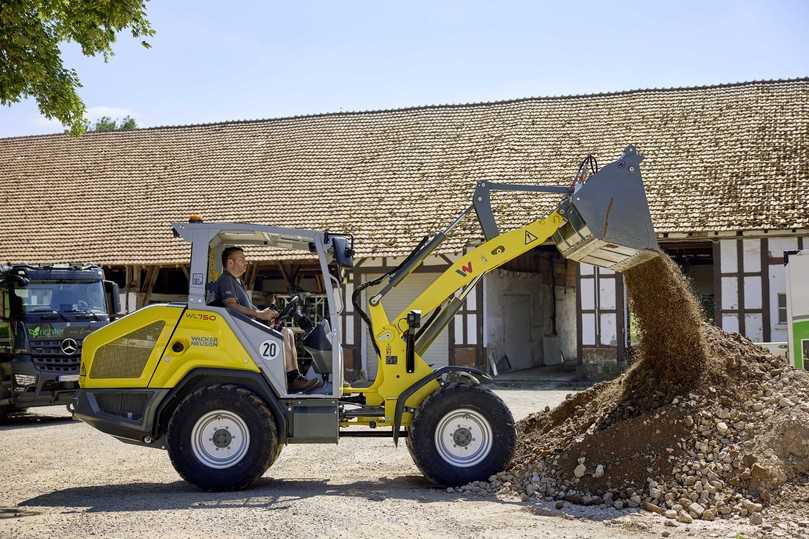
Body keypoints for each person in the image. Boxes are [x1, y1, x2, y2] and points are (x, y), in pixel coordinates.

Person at [213, 246, 318, 392]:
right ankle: (292, 379)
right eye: (242, 260)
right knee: (284, 334)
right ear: (230, 263)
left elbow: (248, 308)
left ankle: (294, 377)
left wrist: (265, 315)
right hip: (241, 332)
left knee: (288, 333)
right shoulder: (226, 280)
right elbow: (231, 307)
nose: (245, 263)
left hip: (247, 327)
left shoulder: (238, 282)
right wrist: (259, 315)